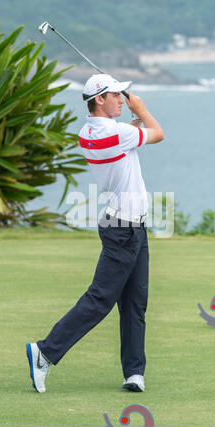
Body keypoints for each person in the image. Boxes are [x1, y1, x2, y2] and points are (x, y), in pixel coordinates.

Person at [26, 73, 164, 393]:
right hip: (123, 228)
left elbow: (126, 135)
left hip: (130, 225)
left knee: (134, 302)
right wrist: (141, 110)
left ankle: (134, 372)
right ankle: (45, 353)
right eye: (116, 94)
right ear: (99, 99)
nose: (122, 99)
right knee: (100, 299)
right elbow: (158, 133)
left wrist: (130, 120)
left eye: (123, 94)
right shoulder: (116, 133)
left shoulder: (88, 131)